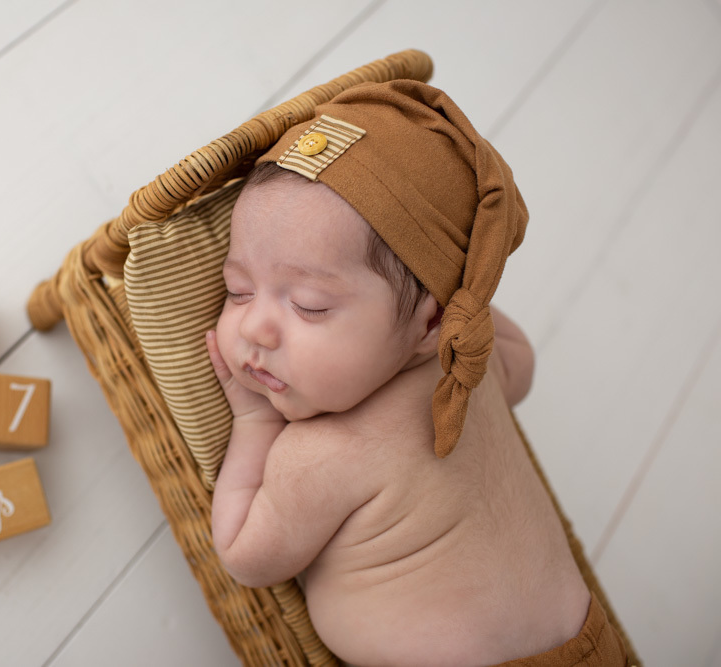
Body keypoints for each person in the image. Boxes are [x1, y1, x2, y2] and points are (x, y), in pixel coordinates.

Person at [205, 80, 628, 666]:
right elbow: (522, 363)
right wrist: (460, 285)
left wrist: (252, 421)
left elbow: (243, 554)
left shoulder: (319, 455)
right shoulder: (468, 364)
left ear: (430, 325)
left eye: (309, 305)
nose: (254, 329)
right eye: (238, 290)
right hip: (594, 647)